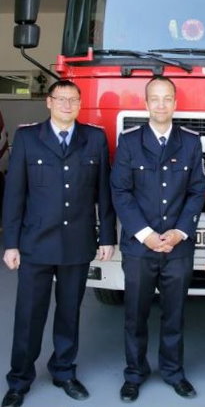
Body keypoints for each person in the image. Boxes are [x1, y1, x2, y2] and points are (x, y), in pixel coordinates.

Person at [1, 80, 116, 407]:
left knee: (69, 313)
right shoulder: (27, 138)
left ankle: (64, 370)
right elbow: (14, 196)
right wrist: (11, 243)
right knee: (29, 314)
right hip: (35, 242)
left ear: (80, 104)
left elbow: (103, 194)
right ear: (48, 103)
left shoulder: (93, 138)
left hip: (77, 242)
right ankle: (20, 379)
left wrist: (107, 236)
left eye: (73, 100)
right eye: (61, 99)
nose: (67, 105)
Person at [110, 75, 205, 403]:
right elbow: (120, 191)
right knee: (135, 314)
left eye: (168, 98)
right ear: (146, 103)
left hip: (178, 247)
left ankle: (173, 372)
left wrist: (179, 232)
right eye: (155, 98)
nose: (162, 104)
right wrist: (147, 235)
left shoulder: (191, 142)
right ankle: (134, 374)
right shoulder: (130, 141)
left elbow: (197, 191)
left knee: (174, 313)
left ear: (175, 103)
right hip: (140, 247)